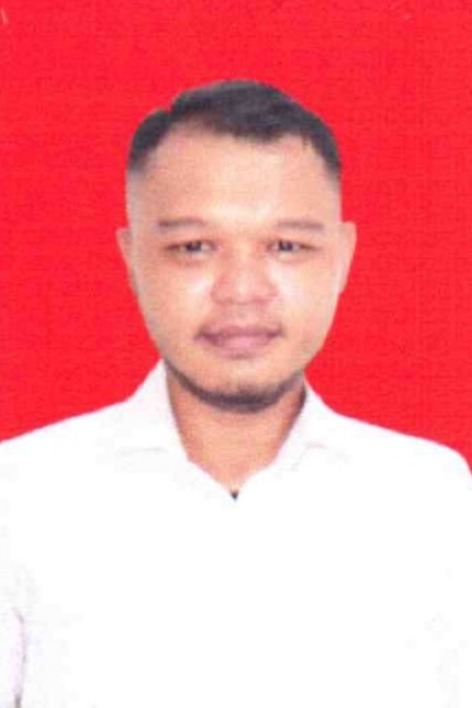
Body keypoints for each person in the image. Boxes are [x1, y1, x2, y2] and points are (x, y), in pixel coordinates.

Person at [0, 79, 471, 708]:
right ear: (133, 260)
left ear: (341, 259)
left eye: (286, 246)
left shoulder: (436, 501)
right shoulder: (22, 498)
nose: (242, 290)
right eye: (194, 248)